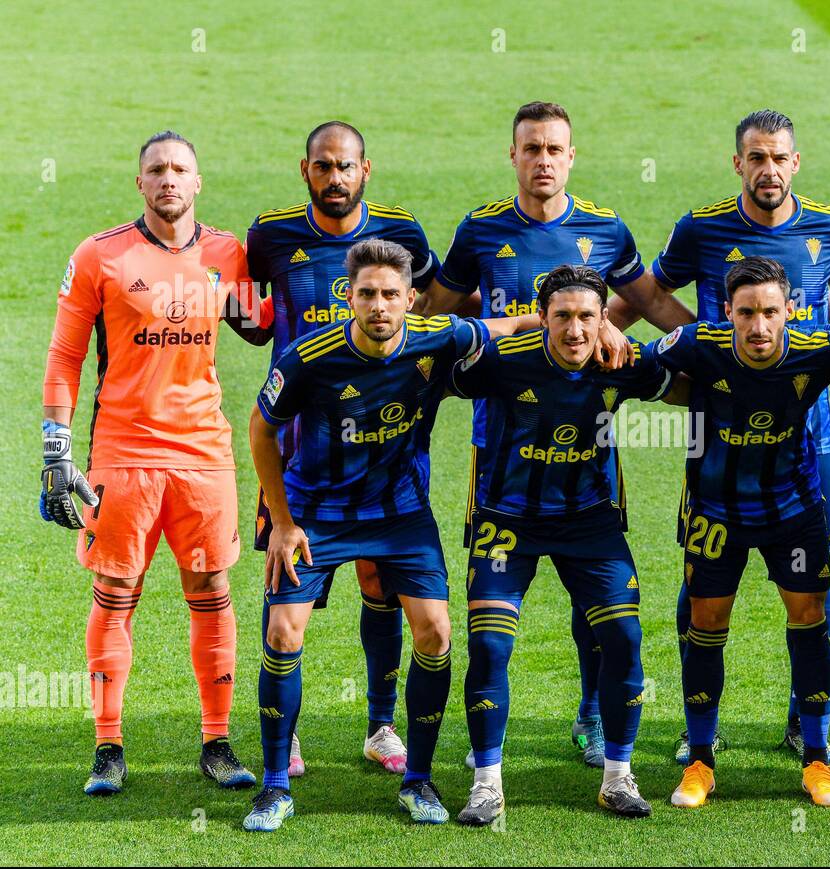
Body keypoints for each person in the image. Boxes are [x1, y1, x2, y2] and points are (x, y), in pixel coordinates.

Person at [418, 102, 690, 769]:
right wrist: (501, 331)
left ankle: (593, 714)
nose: (543, 160)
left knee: (592, 591)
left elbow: (648, 301)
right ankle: (487, 753)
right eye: (531, 148)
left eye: (554, 149)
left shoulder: (604, 227)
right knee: (497, 611)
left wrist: (711, 344)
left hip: (589, 432)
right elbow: (440, 315)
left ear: (572, 157)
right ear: (513, 156)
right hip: (503, 439)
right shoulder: (481, 230)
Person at [243, 238, 519, 831]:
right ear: (349, 296)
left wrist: (584, 325)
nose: (378, 305)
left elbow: (507, 324)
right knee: (283, 632)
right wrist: (284, 523)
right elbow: (261, 432)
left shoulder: (438, 337)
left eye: (390, 294)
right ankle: (273, 786)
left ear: (410, 300)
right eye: (366, 293)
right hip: (317, 513)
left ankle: (418, 779)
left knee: (437, 632)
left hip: (399, 515)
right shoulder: (307, 357)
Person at [41, 130, 269, 796]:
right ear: (139, 182)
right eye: (156, 169)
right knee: (115, 596)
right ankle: (107, 746)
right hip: (123, 454)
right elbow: (64, 357)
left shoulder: (229, 254)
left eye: (180, 169)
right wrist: (56, 444)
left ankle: (217, 742)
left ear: (198, 182)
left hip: (203, 455)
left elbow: (265, 322)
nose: (169, 179)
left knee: (211, 592)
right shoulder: (99, 256)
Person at [246, 120, 445, 776]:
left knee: (379, 585)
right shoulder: (270, 235)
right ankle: (287, 735)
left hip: (386, 452)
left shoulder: (402, 235)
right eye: (324, 166)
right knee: (289, 584)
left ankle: (382, 725)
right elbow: (244, 307)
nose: (336, 178)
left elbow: (437, 311)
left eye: (347, 166)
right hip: (299, 450)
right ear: (306, 170)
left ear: (367, 169)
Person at [447, 265, 675, 825]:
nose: (576, 331)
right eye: (562, 317)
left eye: (588, 318)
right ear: (542, 318)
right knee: (491, 648)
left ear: (606, 320)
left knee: (623, 636)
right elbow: (437, 349)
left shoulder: (621, 360)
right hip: (507, 521)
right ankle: (486, 785)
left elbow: (693, 378)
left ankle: (618, 778)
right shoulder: (503, 361)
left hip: (589, 523)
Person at [654, 257, 830, 810]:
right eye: (746, 312)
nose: (758, 325)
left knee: (809, 618)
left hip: (793, 512)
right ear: (727, 313)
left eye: (770, 311)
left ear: (789, 312)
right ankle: (700, 760)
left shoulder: (818, 347)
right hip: (715, 512)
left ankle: (816, 757)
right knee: (705, 621)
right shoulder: (695, 343)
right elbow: (628, 360)